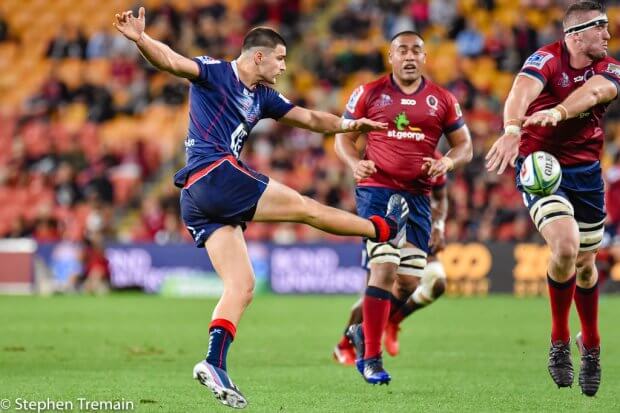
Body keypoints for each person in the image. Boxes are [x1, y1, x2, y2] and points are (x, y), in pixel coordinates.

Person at [114, 7, 409, 409]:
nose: (285, 66)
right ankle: (383, 229)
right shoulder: (216, 73)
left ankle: (213, 363)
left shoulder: (264, 97)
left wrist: (348, 125)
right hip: (215, 174)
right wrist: (141, 40)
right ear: (258, 57)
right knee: (306, 208)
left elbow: (307, 118)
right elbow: (171, 61)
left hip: (198, 200)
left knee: (242, 286)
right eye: (281, 58)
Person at [485, 1, 618, 397]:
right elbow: (520, 91)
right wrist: (511, 129)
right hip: (540, 164)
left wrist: (558, 113)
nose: (609, 37)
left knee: (586, 266)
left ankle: (590, 344)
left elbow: (594, 92)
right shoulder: (545, 58)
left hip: (586, 172)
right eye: (602, 30)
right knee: (565, 246)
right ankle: (560, 338)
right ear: (577, 34)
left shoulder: (610, 68)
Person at [333, 31, 472, 385]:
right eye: (402, 50)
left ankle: (363, 332)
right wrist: (354, 163)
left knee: (409, 281)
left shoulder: (442, 99)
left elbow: (464, 147)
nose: (409, 57)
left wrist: (448, 164)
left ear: (425, 57)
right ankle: (371, 359)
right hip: (377, 191)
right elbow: (342, 138)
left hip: (418, 196)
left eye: (416, 51)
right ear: (390, 56)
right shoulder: (368, 92)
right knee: (383, 268)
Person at [333, 150, 449, 365]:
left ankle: (394, 320)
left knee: (437, 283)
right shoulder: (387, 148)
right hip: (387, 222)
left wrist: (439, 227)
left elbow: (441, 199)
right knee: (374, 294)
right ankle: (344, 343)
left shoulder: (436, 160)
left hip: (419, 224)